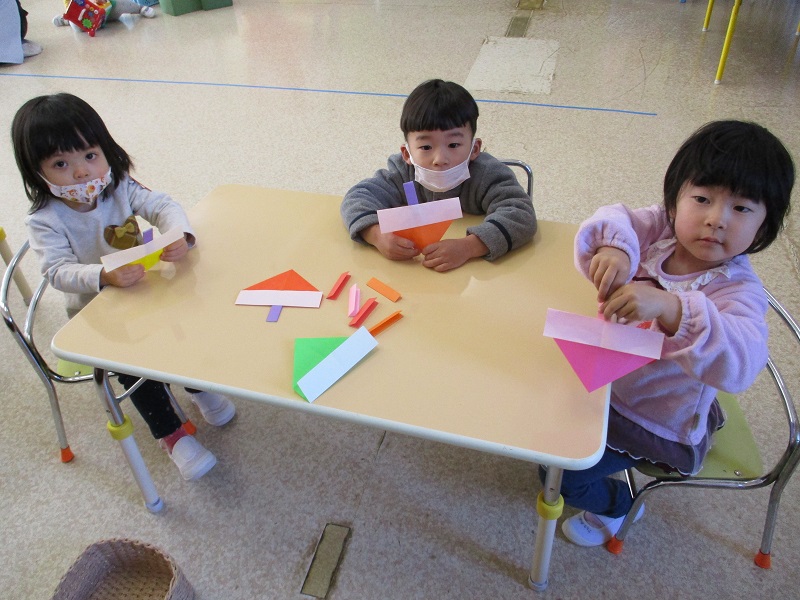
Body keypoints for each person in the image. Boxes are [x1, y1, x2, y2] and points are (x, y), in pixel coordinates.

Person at [548, 120, 795, 547]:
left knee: (562, 476)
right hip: (609, 379)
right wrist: (614, 247)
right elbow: (614, 217)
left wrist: (672, 308)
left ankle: (621, 506)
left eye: (741, 208)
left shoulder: (738, 290)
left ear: (764, 225)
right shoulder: (662, 228)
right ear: (675, 201)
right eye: (702, 199)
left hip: (656, 420)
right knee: (541, 422)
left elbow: (741, 364)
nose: (716, 220)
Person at [11, 93, 236, 481]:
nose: (81, 173)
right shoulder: (45, 220)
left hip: (146, 294)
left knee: (179, 338)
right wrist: (103, 275)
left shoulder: (117, 185)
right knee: (136, 372)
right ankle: (171, 434)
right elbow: (56, 271)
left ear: (106, 150)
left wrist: (179, 234)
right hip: (100, 316)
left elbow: (163, 205)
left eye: (90, 155)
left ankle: (197, 389)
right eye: (61, 164)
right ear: (36, 172)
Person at [340, 79, 537, 272]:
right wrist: (376, 235)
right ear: (407, 153)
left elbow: (521, 215)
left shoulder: (487, 174)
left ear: (475, 148)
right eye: (426, 147)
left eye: (453, 145)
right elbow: (357, 198)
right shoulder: (402, 173)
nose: (440, 159)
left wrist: (469, 247)